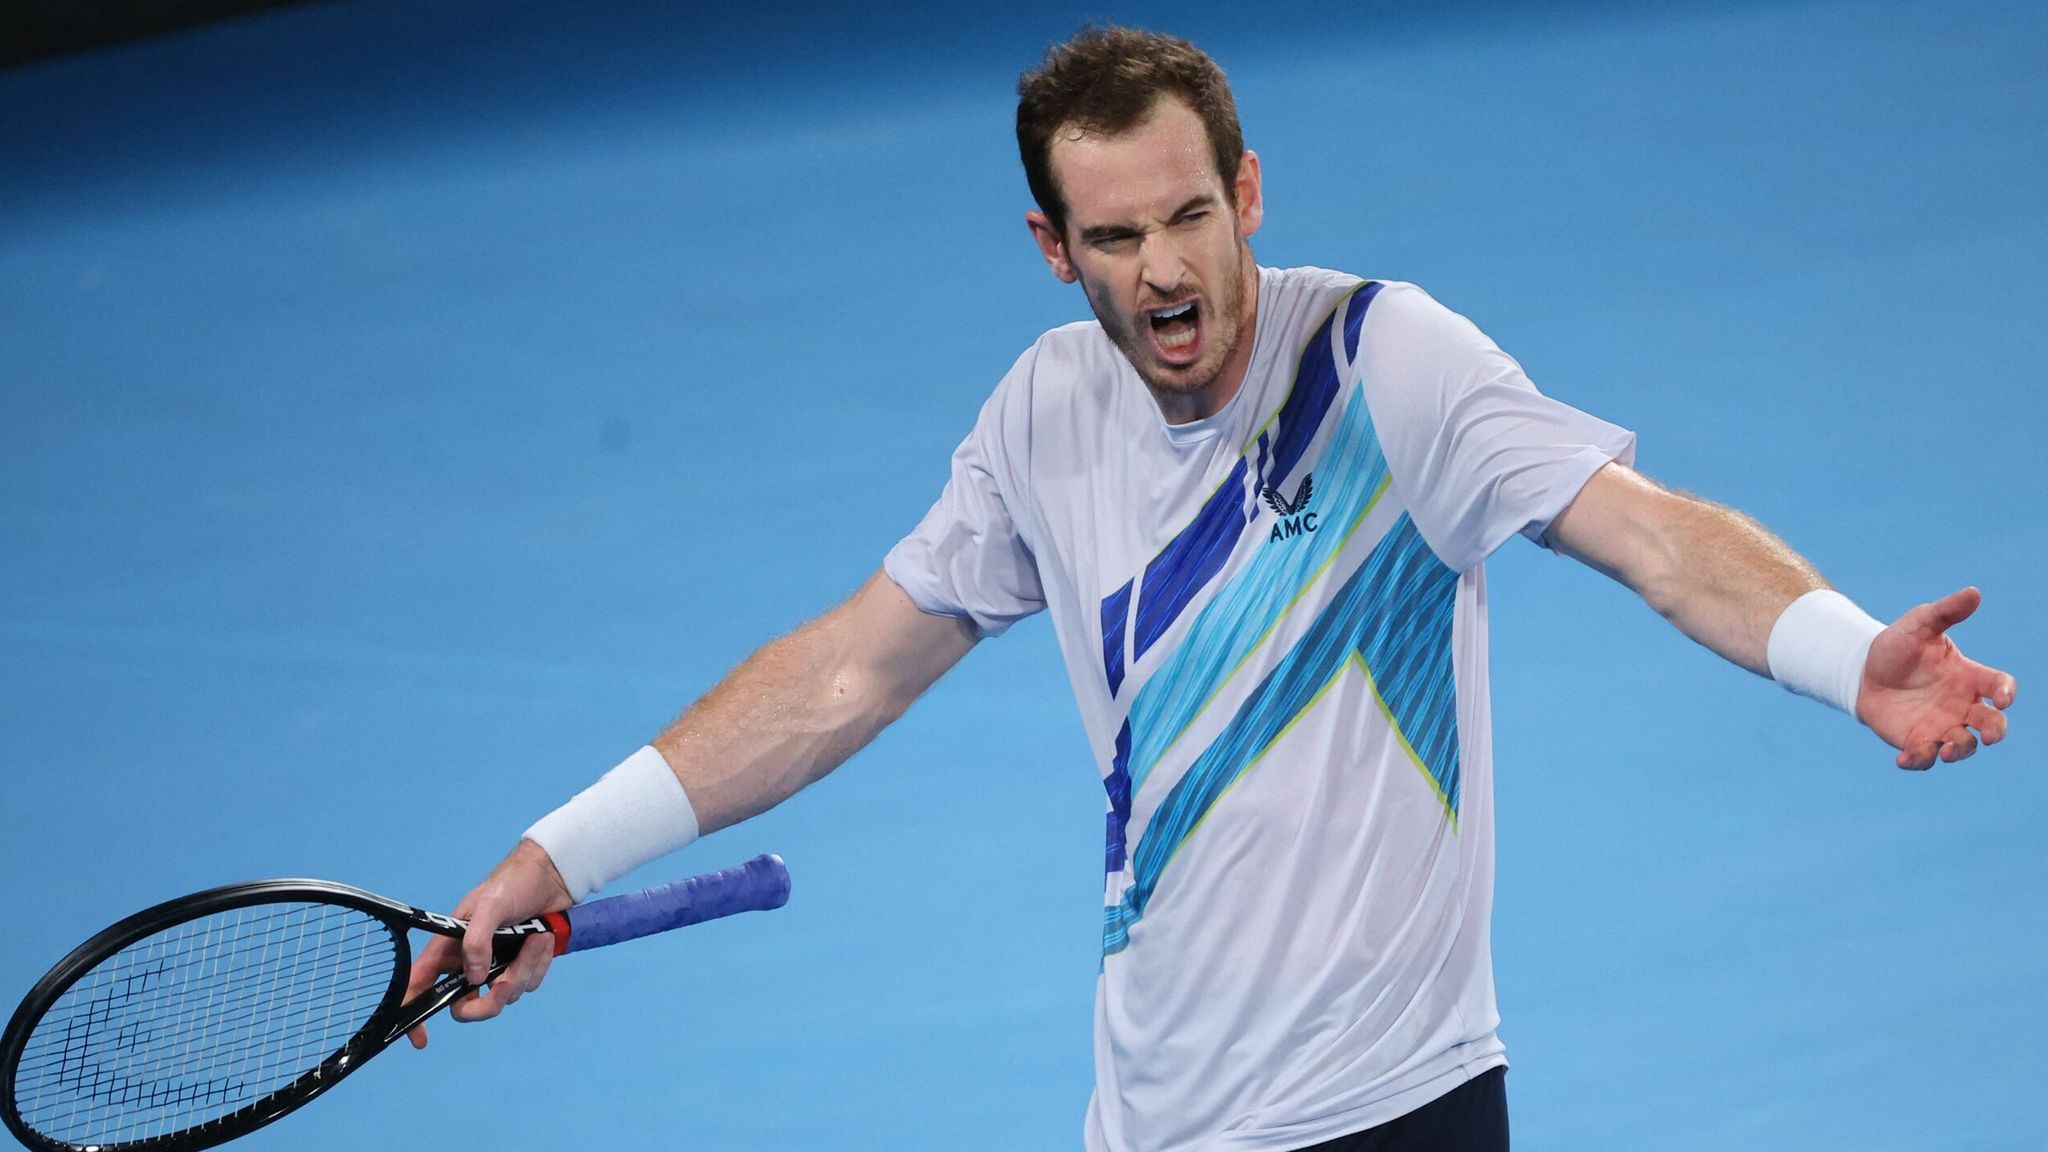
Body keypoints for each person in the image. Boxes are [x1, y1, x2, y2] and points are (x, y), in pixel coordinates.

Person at [403, 25, 2018, 1152]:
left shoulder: (1388, 367)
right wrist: (557, 854)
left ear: (1247, 193)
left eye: (1191, 215)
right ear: (1054, 247)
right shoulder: (1043, 416)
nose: (1166, 270)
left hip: (1397, 1109)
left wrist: (1842, 655)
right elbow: (847, 672)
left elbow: (1651, 535)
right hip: (1152, 1120)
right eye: (1116, 237)